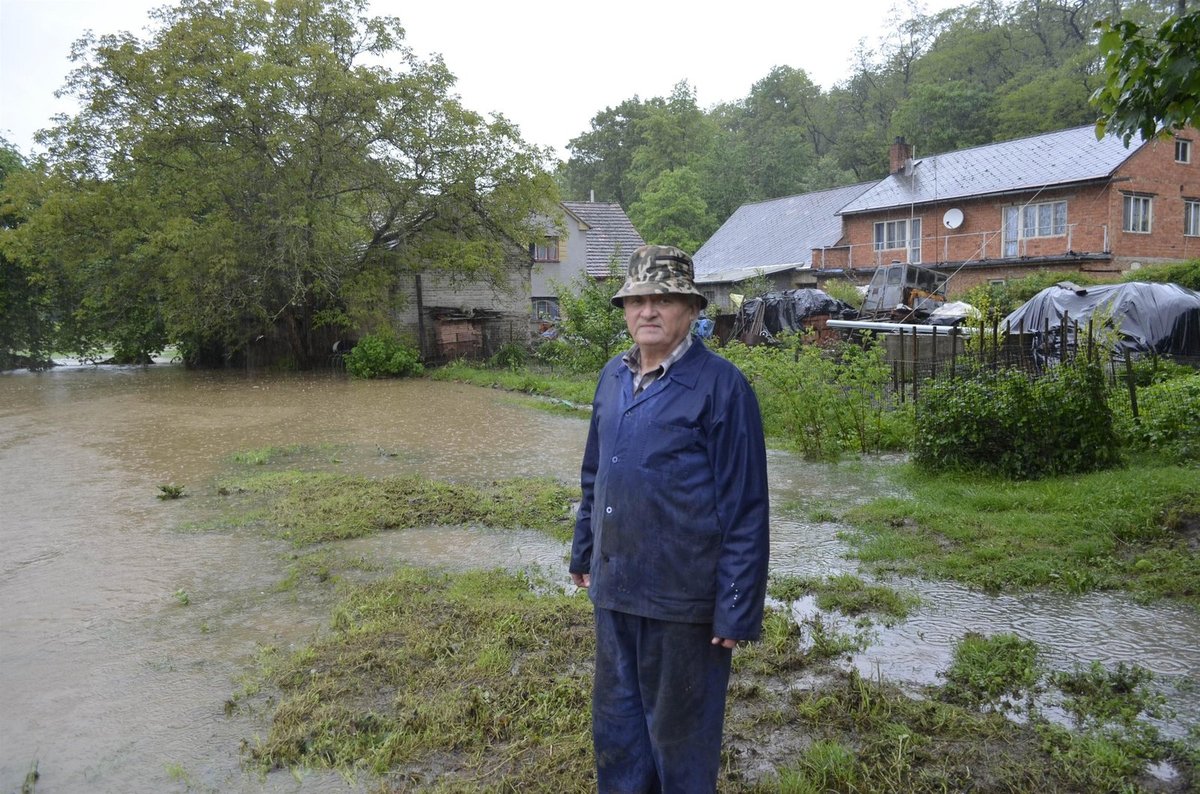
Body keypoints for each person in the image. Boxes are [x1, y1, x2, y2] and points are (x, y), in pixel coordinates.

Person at [569, 244, 771, 793]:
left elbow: (745, 507)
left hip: (684, 603)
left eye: (663, 299)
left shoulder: (723, 387)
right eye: (637, 300)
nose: (648, 311)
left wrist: (735, 608)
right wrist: (584, 548)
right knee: (618, 730)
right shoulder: (613, 376)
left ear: (692, 309)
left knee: (679, 742)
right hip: (615, 590)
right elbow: (596, 472)